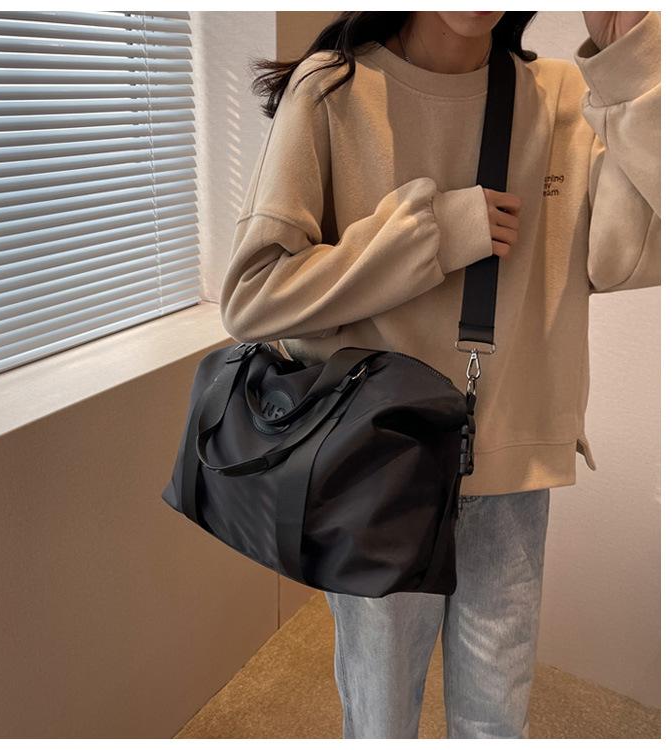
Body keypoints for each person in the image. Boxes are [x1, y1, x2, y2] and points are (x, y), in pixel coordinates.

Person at [218, 10, 660, 739]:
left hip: (510, 471)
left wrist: (635, 58)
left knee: (496, 721)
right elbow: (253, 295)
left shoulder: (558, 96)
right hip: (377, 471)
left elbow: (628, 258)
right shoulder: (332, 90)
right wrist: (433, 232)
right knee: (382, 714)